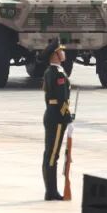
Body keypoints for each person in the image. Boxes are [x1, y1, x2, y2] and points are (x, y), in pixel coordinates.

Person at [41, 40, 73, 201]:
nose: (63, 53)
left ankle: (51, 189)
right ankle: (51, 191)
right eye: (61, 50)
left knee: (50, 154)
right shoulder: (57, 73)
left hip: (52, 114)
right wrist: (67, 117)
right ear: (55, 55)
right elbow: (61, 99)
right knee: (53, 155)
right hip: (57, 117)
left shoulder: (51, 71)